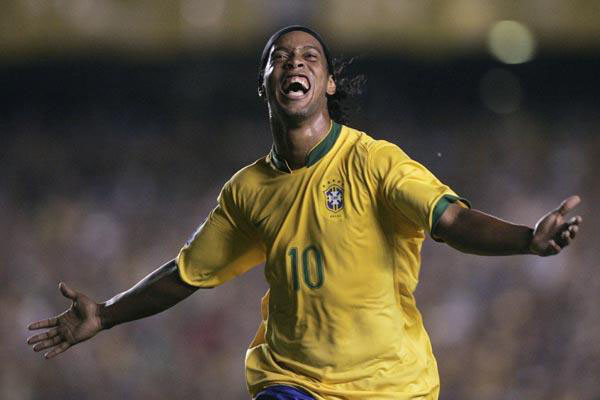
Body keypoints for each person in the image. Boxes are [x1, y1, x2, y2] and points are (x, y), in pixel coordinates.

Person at [27, 26, 582, 400]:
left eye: (309, 57)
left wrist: (527, 238)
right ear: (266, 83)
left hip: (390, 387)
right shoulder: (247, 192)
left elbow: (453, 222)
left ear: (328, 82)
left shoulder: (374, 162)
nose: (294, 62)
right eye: (280, 58)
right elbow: (186, 274)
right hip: (293, 382)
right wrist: (106, 314)